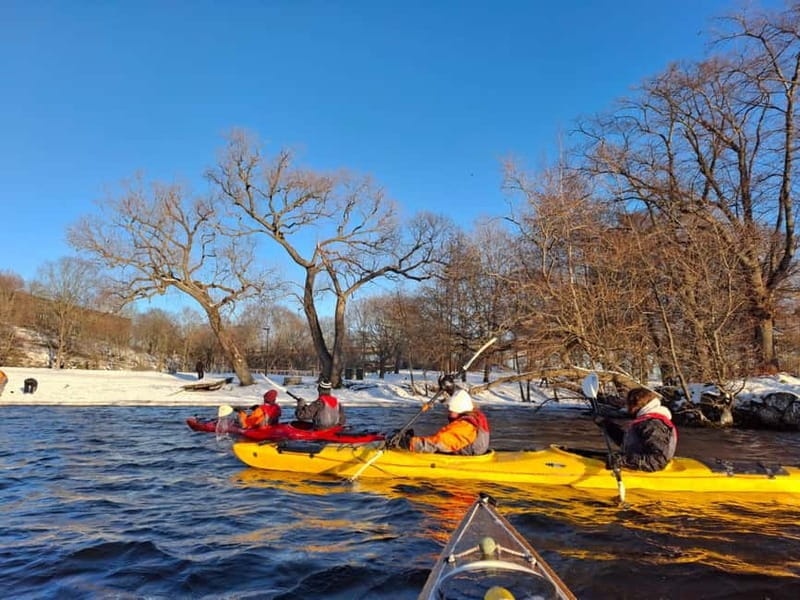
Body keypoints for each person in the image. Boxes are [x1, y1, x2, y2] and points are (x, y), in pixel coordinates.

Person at [401, 374, 490, 455]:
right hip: (466, 452)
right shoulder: (475, 414)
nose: (449, 413)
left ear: (460, 410)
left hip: (463, 462)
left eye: (452, 410)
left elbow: (436, 443)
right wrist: (451, 388)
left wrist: (408, 443)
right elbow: (463, 397)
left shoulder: (463, 428)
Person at [595, 387, 678, 472]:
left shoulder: (653, 424)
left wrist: (624, 461)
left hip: (645, 474)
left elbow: (658, 461)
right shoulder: (647, 422)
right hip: (637, 467)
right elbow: (631, 443)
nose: (626, 407)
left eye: (627, 404)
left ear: (634, 404)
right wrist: (608, 426)